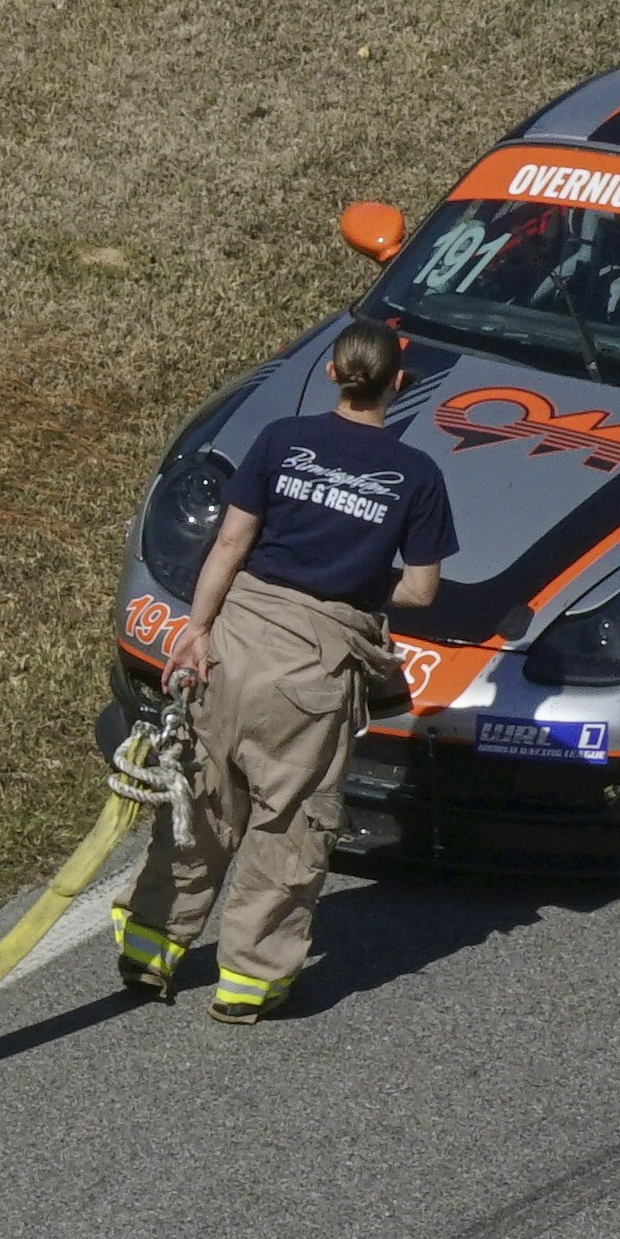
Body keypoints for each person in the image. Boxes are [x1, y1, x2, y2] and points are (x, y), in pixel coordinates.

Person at [120, 314, 453, 1020]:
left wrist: (197, 630)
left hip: (234, 645)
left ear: (332, 373)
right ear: (399, 383)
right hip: (312, 672)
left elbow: (230, 543)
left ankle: (150, 947)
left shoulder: (280, 441)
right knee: (289, 822)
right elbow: (422, 590)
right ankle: (249, 983)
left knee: (202, 804)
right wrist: (358, 574)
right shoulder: (417, 476)